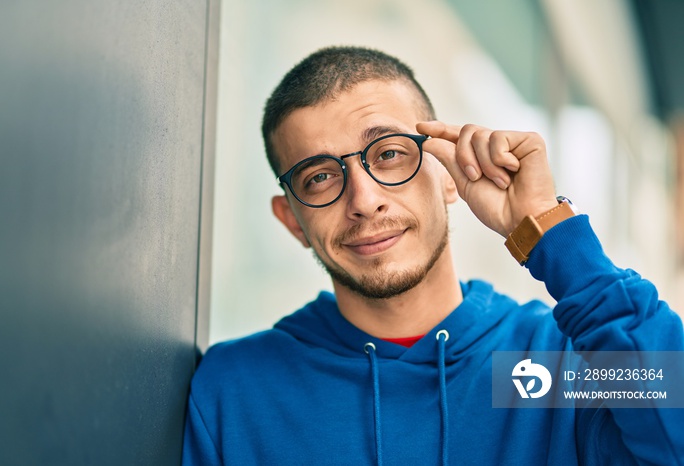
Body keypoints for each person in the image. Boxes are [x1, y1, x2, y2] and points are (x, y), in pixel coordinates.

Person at [182, 46, 684, 465]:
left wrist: (547, 230)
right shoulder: (234, 390)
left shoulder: (558, 363)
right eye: (320, 177)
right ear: (293, 220)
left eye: (390, 154)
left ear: (446, 172)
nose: (364, 200)